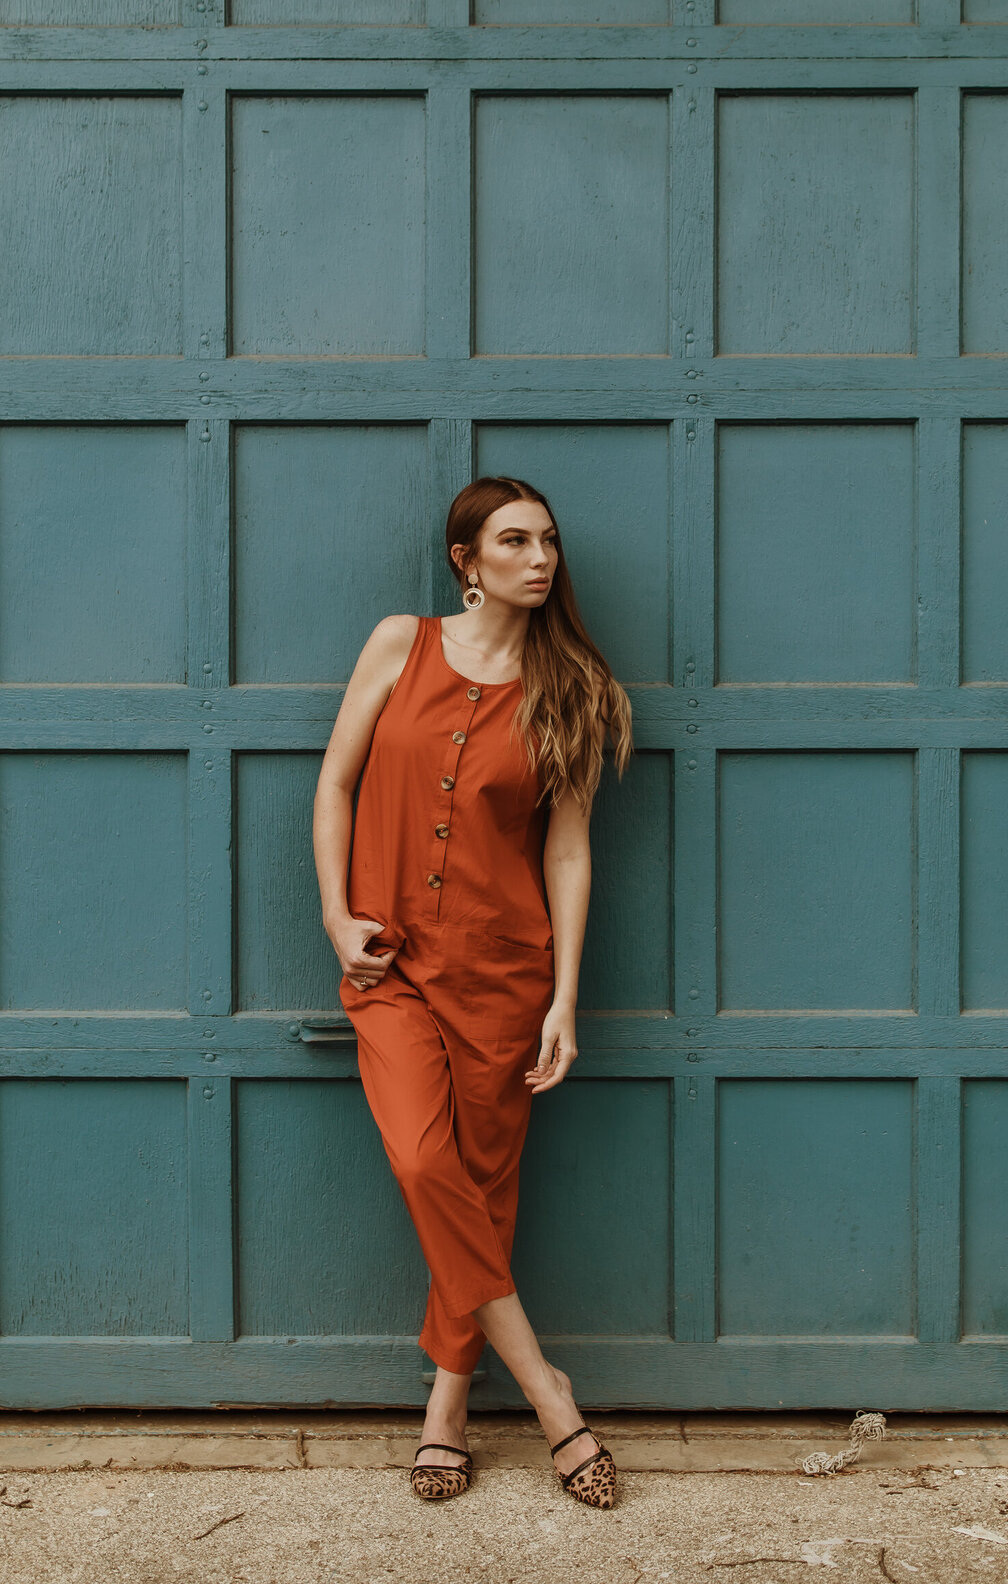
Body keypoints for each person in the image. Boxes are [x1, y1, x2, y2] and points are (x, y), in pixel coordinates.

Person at [313, 475, 633, 1507]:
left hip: (505, 974)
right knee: (423, 1160)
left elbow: (570, 852)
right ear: (467, 560)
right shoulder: (396, 645)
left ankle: (446, 1407)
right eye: (514, 541)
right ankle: (549, 1393)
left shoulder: (573, 685)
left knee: (484, 1194)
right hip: (393, 966)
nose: (539, 559)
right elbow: (336, 784)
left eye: (548, 540)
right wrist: (334, 911)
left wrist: (565, 998)